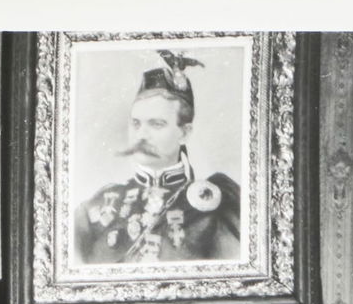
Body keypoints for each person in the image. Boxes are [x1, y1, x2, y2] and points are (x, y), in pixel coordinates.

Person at [74, 51, 241, 266]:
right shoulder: (93, 210)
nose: (141, 135)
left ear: (185, 133)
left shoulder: (218, 209)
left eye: (156, 124)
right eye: (136, 124)